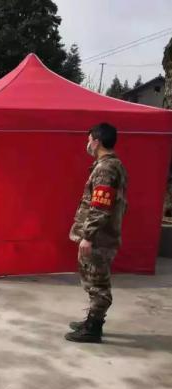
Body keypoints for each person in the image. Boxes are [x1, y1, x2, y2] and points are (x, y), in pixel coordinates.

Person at [66, 123, 128, 343]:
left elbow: (100, 206)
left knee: (98, 283)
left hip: (99, 237)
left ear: (97, 141)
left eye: (89, 140)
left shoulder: (105, 169)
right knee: (92, 279)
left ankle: (93, 328)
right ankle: (92, 320)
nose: (88, 145)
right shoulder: (112, 165)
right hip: (102, 235)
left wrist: (88, 236)